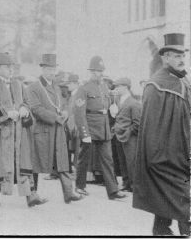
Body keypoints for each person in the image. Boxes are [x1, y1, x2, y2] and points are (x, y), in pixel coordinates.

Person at [133, 33, 190, 236]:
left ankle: (161, 229)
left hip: (183, 151)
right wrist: (160, 156)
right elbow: (153, 127)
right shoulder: (156, 85)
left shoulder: (183, 81)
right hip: (167, 155)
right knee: (183, 197)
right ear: (165, 58)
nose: (181, 59)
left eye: (182, 55)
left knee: (169, 198)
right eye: (175, 55)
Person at [0, 52, 47, 207]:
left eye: (11, 66)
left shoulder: (18, 84)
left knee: (23, 161)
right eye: (6, 67)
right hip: (0, 131)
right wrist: (6, 115)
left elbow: (26, 101)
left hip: (18, 132)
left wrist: (25, 109)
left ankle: (30, 195)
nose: (10, 70)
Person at [27, 54, 83, 204]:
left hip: (57, 131)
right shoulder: (34, 87)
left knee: (63, 161)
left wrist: (65, 112)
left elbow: (63, 105)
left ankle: (68, 192)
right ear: (43, 69)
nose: (52, 72)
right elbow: (36, 109)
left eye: (54, 68)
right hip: (42, 131)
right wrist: (55, 117)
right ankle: (31, 194)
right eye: (49, 69)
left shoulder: (56, 87)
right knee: (35, 164)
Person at [72, 55, 126, 200]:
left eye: (101, 71)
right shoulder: (84, 88)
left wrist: (112, 108)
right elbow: (79, 112)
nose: (100, 74)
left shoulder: (104, 87)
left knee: (108, 159)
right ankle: (80, 186)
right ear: (91, 72)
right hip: (90, 127)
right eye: (97, 71)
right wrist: (85, 133)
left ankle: (113, 190)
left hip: (103, 128)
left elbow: (106, 105)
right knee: (84, 158)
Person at [111, 78, 141, 192]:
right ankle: (126, 183)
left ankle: (134, 185)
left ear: (125, 87)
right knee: (122, 161)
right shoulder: (120, 101)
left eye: (118, 87)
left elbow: (137, 123)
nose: (116, 89)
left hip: (130, 138)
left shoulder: (134, 103)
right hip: (119, 136)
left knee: (131, 161)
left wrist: (128, 132)